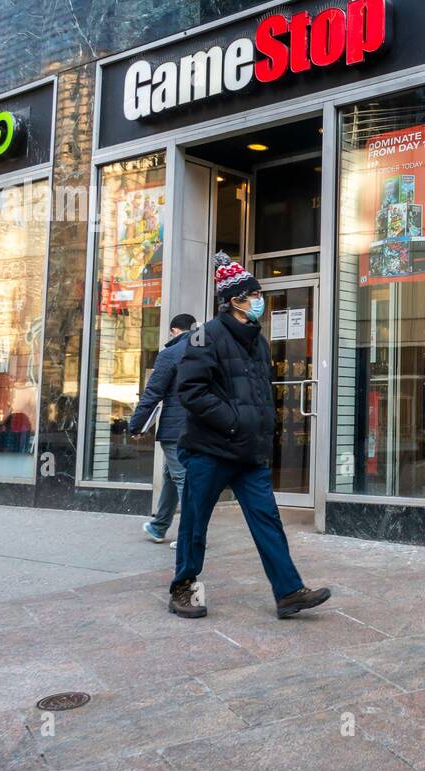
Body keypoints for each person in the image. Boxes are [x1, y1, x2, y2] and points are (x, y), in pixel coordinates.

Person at [168, 251, 330, 620]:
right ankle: (183, 587)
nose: (260, 300)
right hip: (210, 450)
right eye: (254, 295)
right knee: (195, 522)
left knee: (267, 520)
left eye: (259, 294)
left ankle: (289, 592)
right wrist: (234, 422)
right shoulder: (203, 336)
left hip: (249, 454)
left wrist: (261, 430)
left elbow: (259, 391)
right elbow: (192, 391)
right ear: (235, 301)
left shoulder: (256, 340)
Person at [129, 312, 197, 547]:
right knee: (171, 475)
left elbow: (153, 393)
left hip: (177, 428)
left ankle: (192, 536)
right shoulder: (208, 351)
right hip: (203, 426)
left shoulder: (170, 354)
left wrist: (136, 424)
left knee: (182, 478)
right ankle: (159, 526)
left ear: (174, 331)